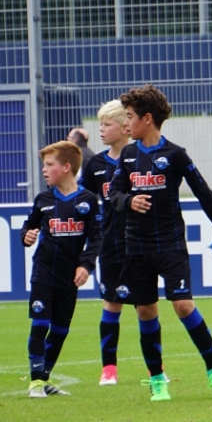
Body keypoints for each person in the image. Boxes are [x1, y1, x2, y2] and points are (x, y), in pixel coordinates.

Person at [108, 84, 212, 402]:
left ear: (147, 119)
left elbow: (204, 194)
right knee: (145, 311)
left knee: (183, 305)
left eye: (129, 117)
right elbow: (114, 195)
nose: (126, 123)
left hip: (170, 244)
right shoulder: (128, 155)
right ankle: (157, 380)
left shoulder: (175, 155)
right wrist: (128, 201)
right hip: (136, 247)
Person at [21, 140, 102, 398]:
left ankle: (44, 378)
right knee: (40, 324)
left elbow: (96, 238)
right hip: (43, 272)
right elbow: (29, 225)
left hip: (70, 276)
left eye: (49, 164)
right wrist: (26, 235)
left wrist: (86, 265)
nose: (44, 170)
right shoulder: (43, 200)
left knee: (60, 330)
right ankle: (35, 381)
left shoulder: (88, 200)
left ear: (66, 167)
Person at [78, 100, 131, 386]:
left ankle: (155, 368)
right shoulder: (96, 164)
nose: (101, 129)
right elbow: (82, 201)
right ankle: (108, 369)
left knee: (146, 306)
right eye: (100, 124)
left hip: (140, 243)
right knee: (111, 304)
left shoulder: (140, 159)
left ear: (124, 128)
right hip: (110, 245)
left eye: (107, 124)